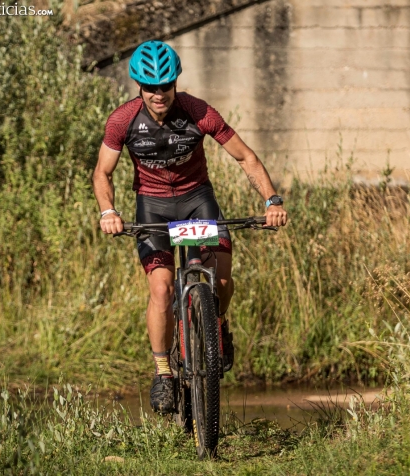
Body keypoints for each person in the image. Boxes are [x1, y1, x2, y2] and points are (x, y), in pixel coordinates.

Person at [92, 41, 288, 413]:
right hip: (153, 208)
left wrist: (271, 200)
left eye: (165, 85)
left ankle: (216, 325)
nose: (159, 94)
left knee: (223, 280)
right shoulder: (123, 121)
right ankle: (163, 372)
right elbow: (102, 172)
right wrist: (108, 211)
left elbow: (246, 157)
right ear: (139, 86)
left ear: (175, 82)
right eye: (150, 87)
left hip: (197, 201)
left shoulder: (198, 112)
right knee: (162, 290)